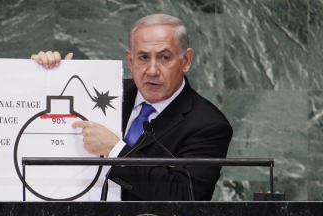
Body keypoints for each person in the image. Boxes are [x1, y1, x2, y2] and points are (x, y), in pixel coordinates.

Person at [31, 14, 233, 201]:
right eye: (143, 57)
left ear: (185, 60)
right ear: (130, 60)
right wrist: (47, 79)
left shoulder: (208, 124)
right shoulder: (104, 93)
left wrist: (116, 151)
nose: (152, 70)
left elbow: (183, 194)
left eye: (164, 58)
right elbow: (42, 129)